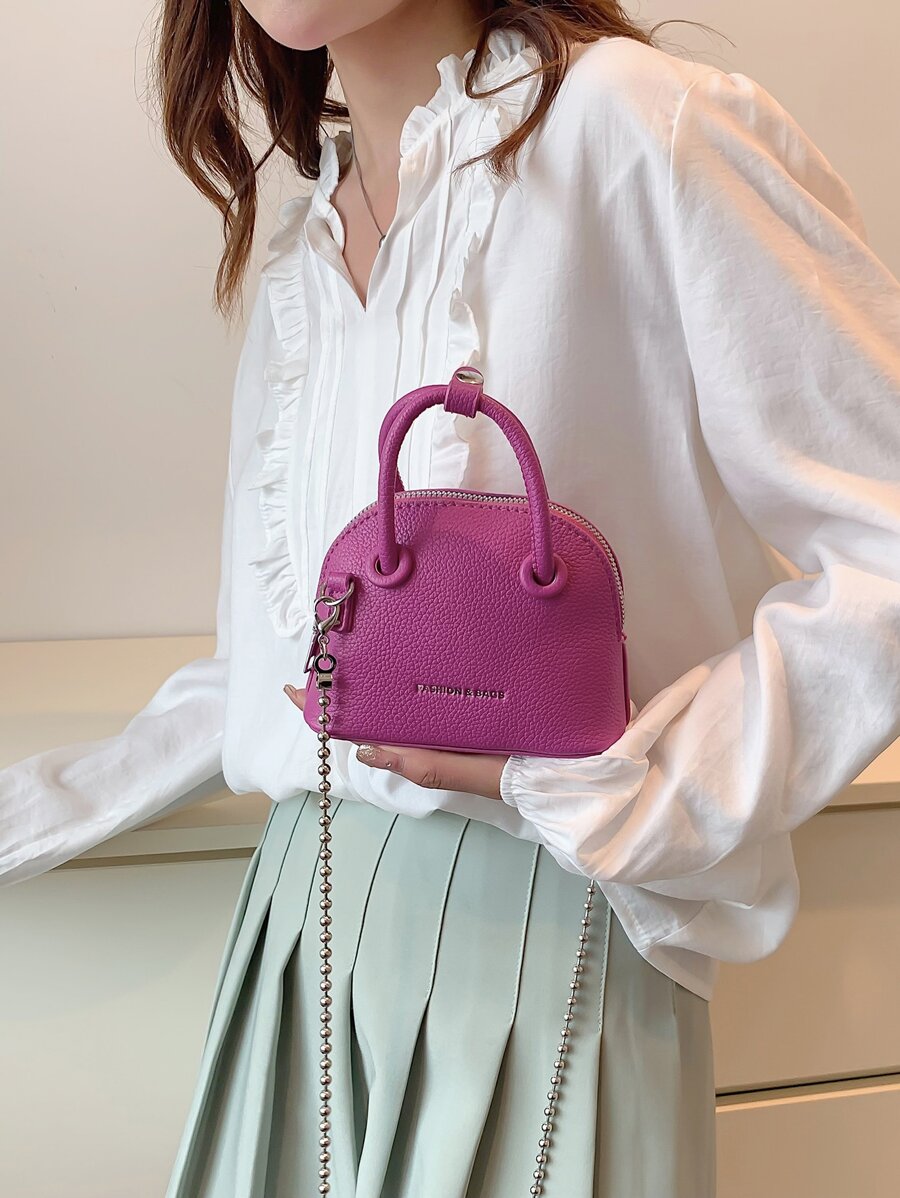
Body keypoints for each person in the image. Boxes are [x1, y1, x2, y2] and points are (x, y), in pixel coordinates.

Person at [3, 2, 900, 1195]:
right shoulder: (308, 236)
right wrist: (47, 805)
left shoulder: (637, 127)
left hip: (556, 939)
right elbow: (273, 668)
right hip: (299, 936)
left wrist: (637, 789)